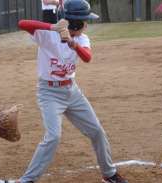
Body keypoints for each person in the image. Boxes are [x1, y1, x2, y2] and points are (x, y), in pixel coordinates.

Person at [17, 0, 128, 183]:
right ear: (76, 23)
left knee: (97, 131)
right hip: (49, 93)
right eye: (85, 21)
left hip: (72, 91)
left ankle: (109, 174)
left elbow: (87, 58)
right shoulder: (47, 35)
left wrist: (73, 44)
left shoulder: (82, 39)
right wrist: (53, 27)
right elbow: (22, 24)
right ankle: (27, 180)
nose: (86, 24)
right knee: (53, 136)